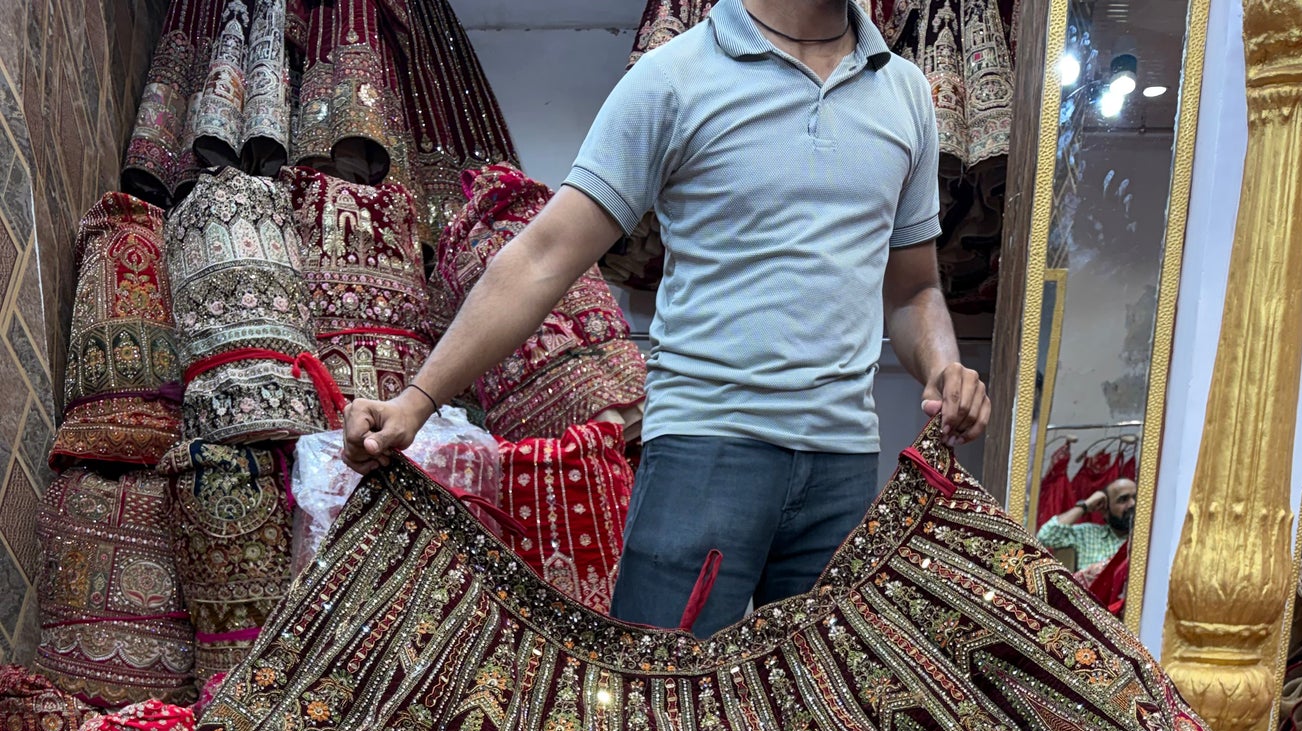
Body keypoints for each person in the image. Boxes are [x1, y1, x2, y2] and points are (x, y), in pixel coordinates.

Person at [340, 0, 989, 635]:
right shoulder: (673, 77)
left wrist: (942, 367)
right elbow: (542, 256)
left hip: (842, 466)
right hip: (703, 459)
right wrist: (416, 401)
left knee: (814, 727)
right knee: (660, 726)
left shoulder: (903, 92)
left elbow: (912, 291)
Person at [1035, 475, 1135, 572]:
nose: (1133, 504)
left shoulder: (1149, 540)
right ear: (1105, 511)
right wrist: (1085, 505)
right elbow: (1045, 536)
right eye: (1123, 499)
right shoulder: (1087, 534)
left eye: (1136, 497)